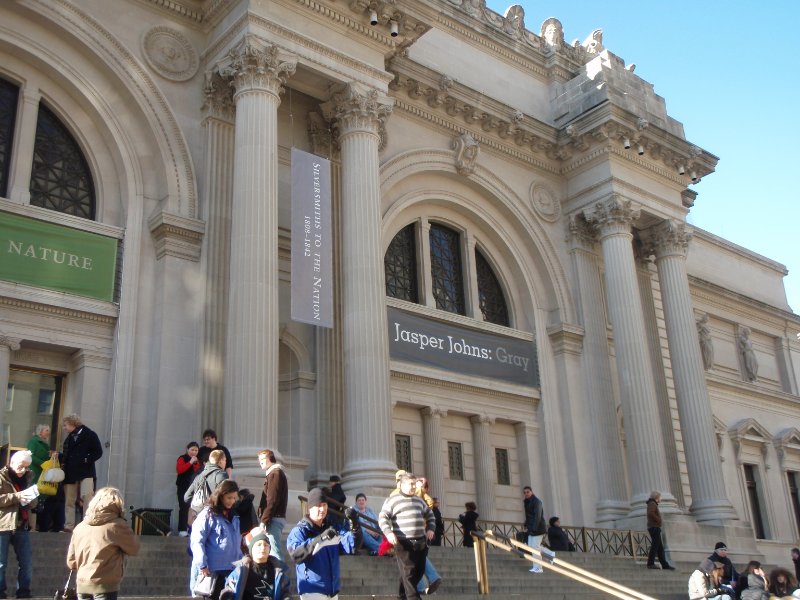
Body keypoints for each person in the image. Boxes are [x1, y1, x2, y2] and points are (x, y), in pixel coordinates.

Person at [66, 486, 140, 600]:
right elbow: (134, 548)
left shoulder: (80, 527)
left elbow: (71, 562)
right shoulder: (117, 526)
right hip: (106, 585)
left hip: (82, 585)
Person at [286, 487, 360, 599]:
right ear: (310, 508)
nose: (322, 509)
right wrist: (320, 539)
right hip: (312, 590)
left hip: (332, 591)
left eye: (324, 505)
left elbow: (351, 546)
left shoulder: (332, 527)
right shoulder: (300, 530)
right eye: (318, 506)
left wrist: (355, 526)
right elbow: (295, 554)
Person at [379, 472, 436, 600]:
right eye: (411, 484)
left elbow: (430, 515)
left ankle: (402, 595)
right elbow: (382, 518)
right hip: (403, 543)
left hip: (420, 542)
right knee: (409, 573)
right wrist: (389, 533)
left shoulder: (419, 501)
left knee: (419, 570)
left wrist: (430, 529)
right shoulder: (392, 500)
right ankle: (413, 597)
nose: (414, 487)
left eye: (415, 484)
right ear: (403, 485)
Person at [190, 479, 242, 600]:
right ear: (221, 496)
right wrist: (202, 564)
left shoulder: (234, 516)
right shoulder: (208, 514)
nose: (232, 501)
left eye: (234, 498)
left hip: (232, 569)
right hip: (212, 570)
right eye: (229, 498)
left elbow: (236, 541)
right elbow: (197, 541)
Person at [0, 450, 36, 599]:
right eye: (21, 466)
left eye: (27, 467)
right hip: (3, 525)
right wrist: (17, 497)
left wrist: (31, 500)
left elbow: (33, 503)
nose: (24, 470)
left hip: (22, 524)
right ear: (12, 463)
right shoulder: (2, 477)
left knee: (26, 562)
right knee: (1, 564)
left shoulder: (28, 478)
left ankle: (23, 592)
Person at [60, 414, 103, 533]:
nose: (64, 428)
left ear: (73, 424)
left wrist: (86, 459)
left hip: (86, 471)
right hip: (70, 473)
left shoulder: (90, 434)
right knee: (69, 500)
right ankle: (69, 525)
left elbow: (98, 452)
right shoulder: (69, 438)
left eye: (65, 425)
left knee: (87, 497)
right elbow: (66, 455)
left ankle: (87, 524)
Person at [220, 528, 290, 600]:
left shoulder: (278, 572)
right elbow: (229, 590)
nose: (263, 548)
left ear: (269, 549)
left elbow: (285, 594)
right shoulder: (240, 571)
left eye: (266, 545)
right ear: (251, 550)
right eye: (259, 545)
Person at [257, 449, 288, 562]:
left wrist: (264, 521)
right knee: (273, 551)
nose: (260, 462)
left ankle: (281, 578)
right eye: (259, 460)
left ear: (270, 459)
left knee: (275, 553)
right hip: (273, 518)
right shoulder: (273, 473)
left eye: (262, 459)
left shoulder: (275, 474)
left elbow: (272, 500)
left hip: (273, 519)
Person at [184, 449, 229, 525]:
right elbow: (225, 496)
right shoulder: (221, 474)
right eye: (225, 460)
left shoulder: (199, 476)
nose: (225, 463)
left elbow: (186, 497)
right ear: (221, 461)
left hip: (198, 519)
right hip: (215, 518)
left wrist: (199, 505)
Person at [413, 478, 441, 595]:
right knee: (416, 557)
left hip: (411, 531)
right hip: (417, 529)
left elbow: (429, 506)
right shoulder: (419, 495)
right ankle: (425, 582)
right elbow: (430, 504)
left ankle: (422, 585)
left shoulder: (415, 495)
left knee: (415, 557)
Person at [26, 424, 51, 531]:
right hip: (34, 473)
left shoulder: (45, 444)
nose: (48, 432)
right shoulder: (34, 442)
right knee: (32, 499)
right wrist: (42, 463)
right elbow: (30, 456)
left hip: (41, 474)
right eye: (46, 430)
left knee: (38, 501)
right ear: (40, 431)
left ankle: (34, 525)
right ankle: (30, 525)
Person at [176, 441, 201, 536]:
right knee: (183, 507)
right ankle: (182, 529)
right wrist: (190, 462)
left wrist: (195, 463)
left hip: (194, 488)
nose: (194, 452)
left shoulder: (197, 461)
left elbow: (198, 473)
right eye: (192, 450)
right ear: (187, 450)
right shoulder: (182, 458)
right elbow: (180, 470)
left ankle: (191, 529)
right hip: (183, 486)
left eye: (196, 450)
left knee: (193, 508)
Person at [646, 491, 674, 570]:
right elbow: (650, 513)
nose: (661, 498)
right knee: (655, 546)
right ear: (656, 497)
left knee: (660, 547)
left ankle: (664, 564)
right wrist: (659, 520)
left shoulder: (652, 503)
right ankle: (650, 563)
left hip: (654, 527)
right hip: (654, 527)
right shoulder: (652, 504)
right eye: (660, 497)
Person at [522, 486, 547, 573]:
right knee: (531, 547)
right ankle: (549, 553)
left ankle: (539, 567)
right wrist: (526, 524)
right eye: (524, 492)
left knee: (535, 548)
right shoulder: (527, 502)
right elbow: (529, 516)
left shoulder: (537, 501)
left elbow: (537, 516)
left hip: (538, 528)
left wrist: (534, 529)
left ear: (531, 492)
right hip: (531, 528)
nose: (526, 494)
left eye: (528, 492)